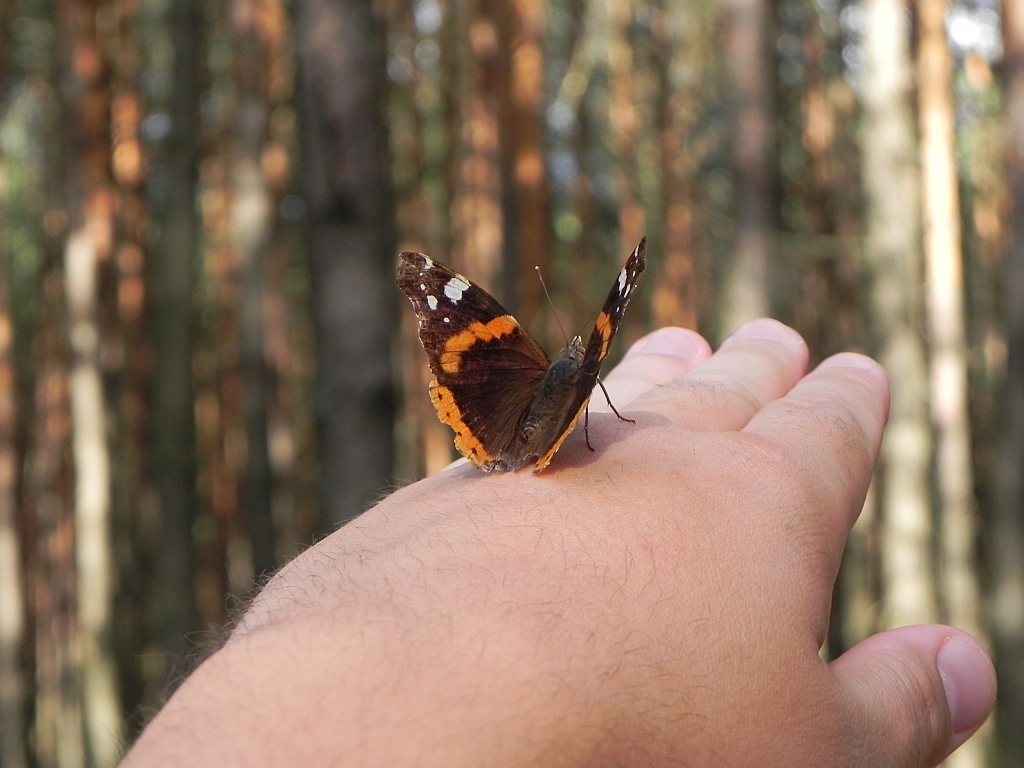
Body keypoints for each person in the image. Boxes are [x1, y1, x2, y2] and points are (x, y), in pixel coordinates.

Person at [121, 319, 996, 767]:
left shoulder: (521, 352)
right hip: (537, 431)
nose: (585, 349)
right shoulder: (568, 361)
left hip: (501, 420)